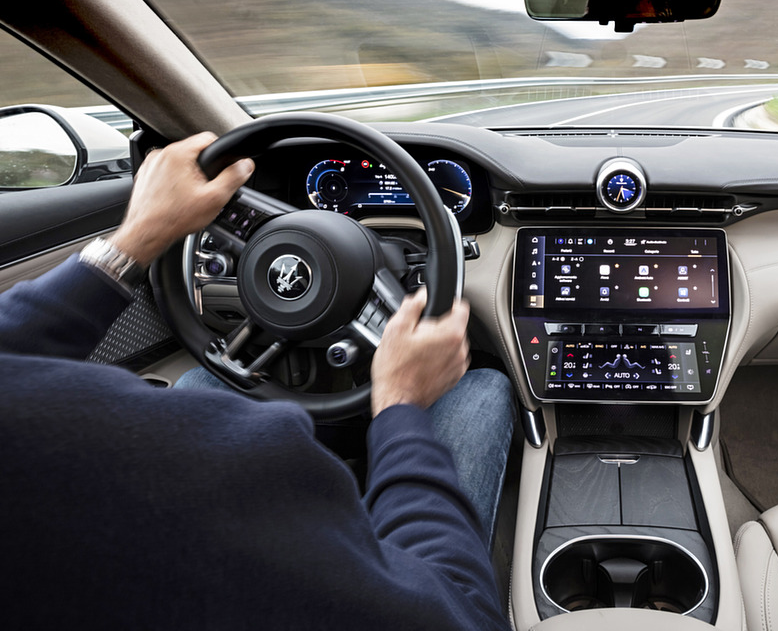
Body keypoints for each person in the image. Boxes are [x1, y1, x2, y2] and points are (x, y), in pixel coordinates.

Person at [0, 133, 513, 630]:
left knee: (208, 377)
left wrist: (138, 236)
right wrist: (400, 403)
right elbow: (456, 613)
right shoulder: (202, 476)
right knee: (481, 389)